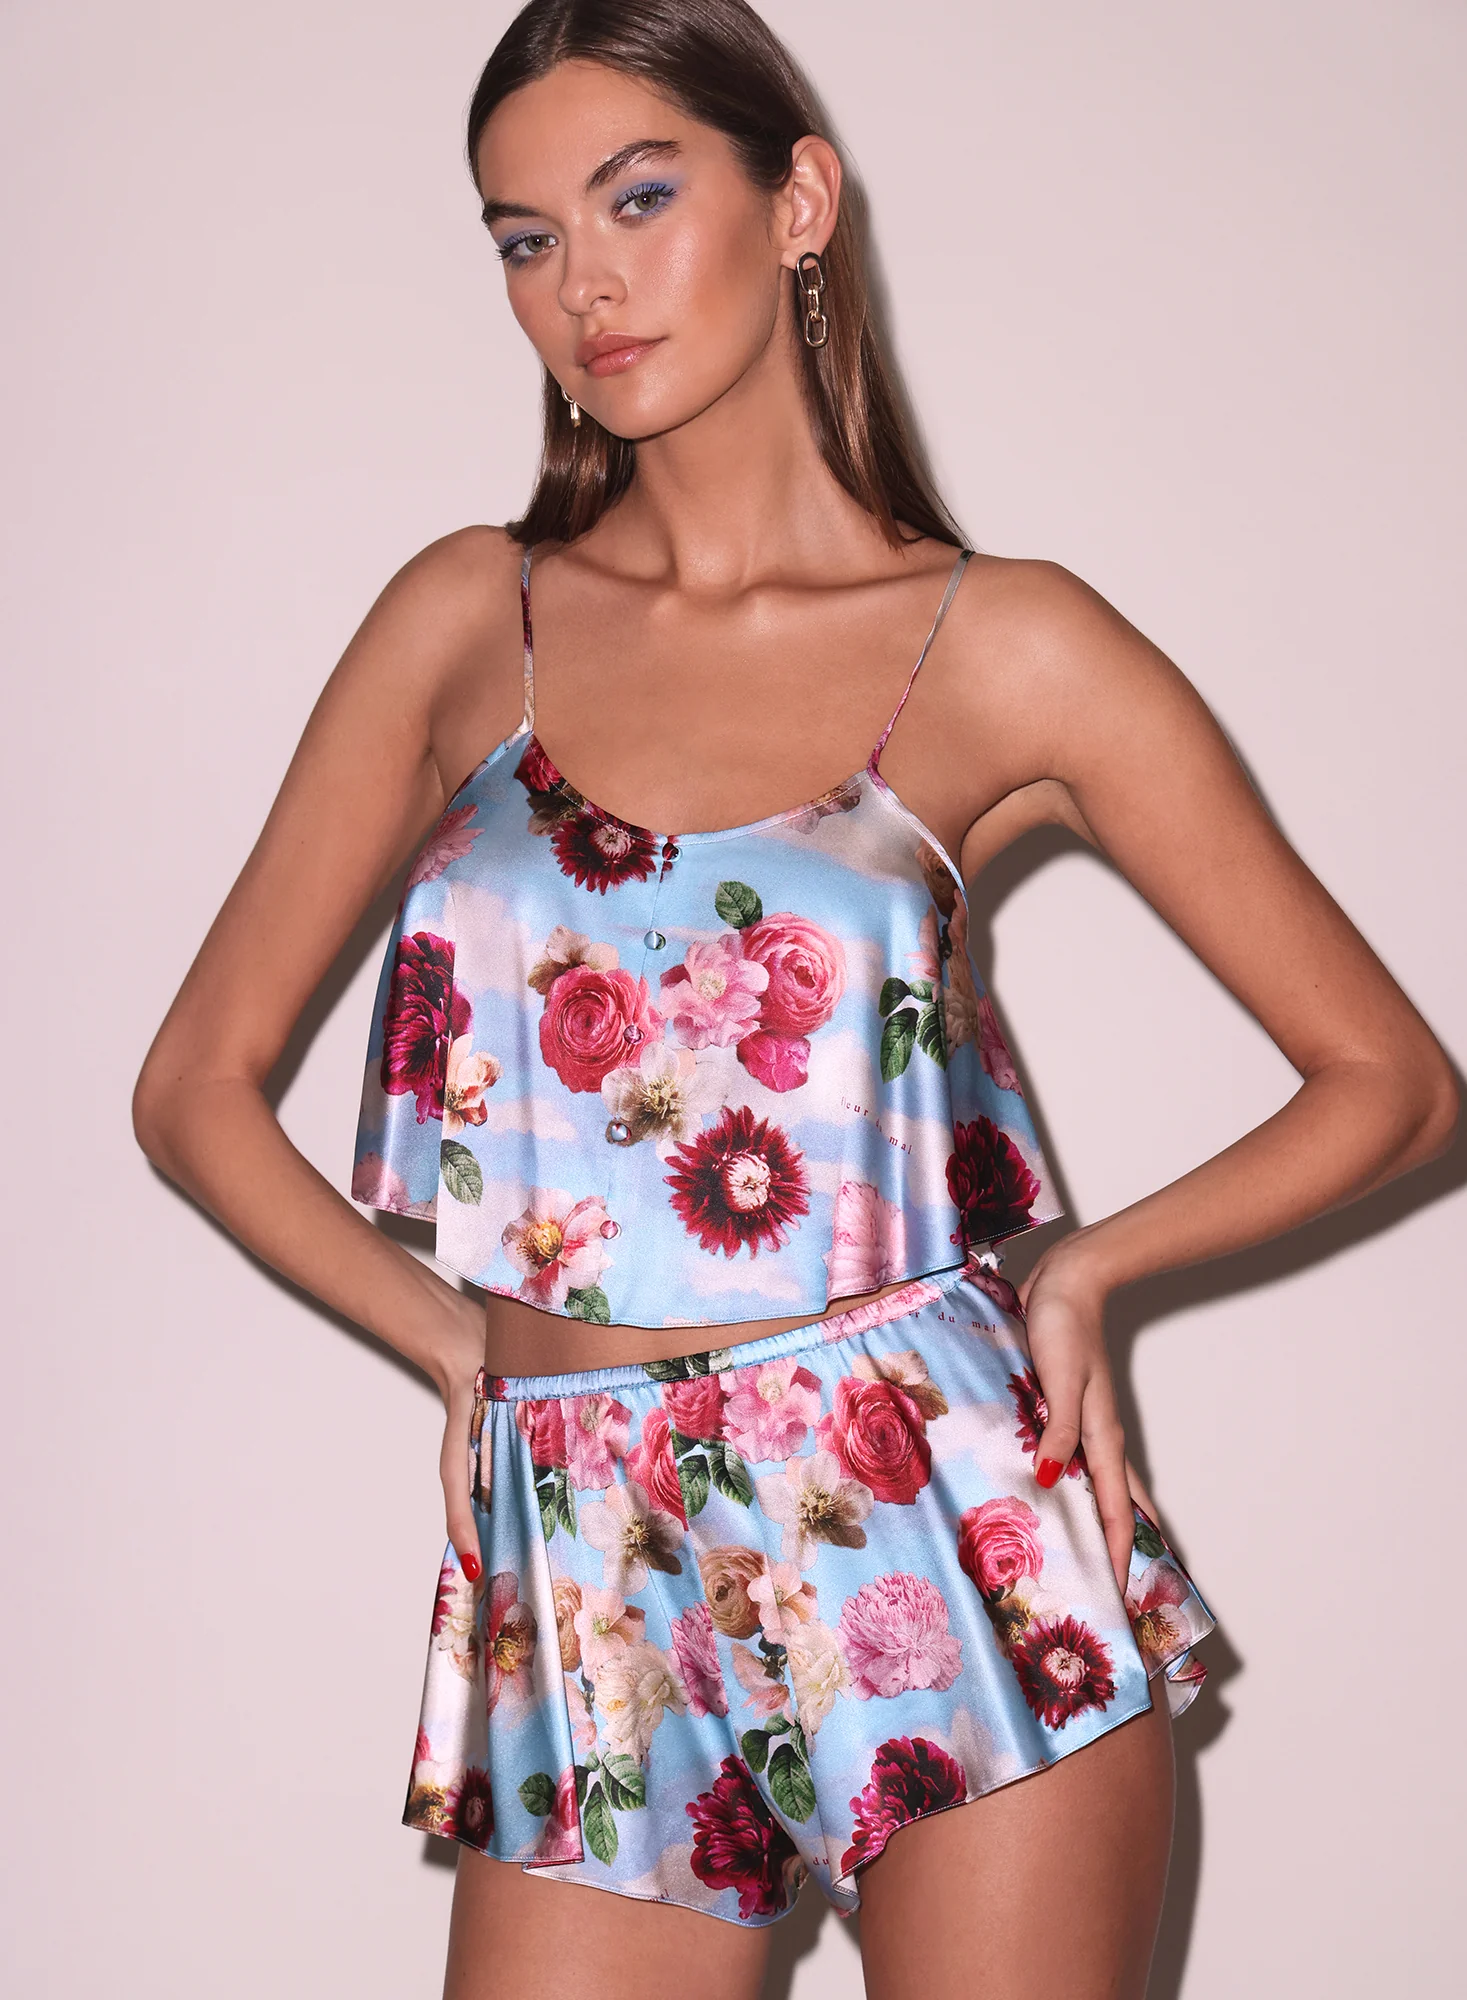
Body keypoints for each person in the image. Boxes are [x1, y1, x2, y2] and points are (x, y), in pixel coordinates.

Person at [132, 3, 1457, 1995]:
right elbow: (196, 1086)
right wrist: (451, 1344)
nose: (581, 284)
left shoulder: (999, 644)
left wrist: (1087, 1274)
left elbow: (1388, 1080)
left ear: (799, 200)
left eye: (636, 199)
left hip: (938, 1510)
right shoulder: (466, 620)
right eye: (523, 238)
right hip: (582, 1554)